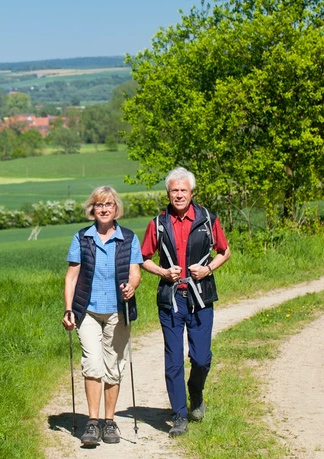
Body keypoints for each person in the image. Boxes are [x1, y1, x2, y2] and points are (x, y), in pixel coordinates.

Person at [141, 167, 231, 437]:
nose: (178, 195)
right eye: (174, 190)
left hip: (201, 297)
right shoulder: (158, 223)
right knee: (173, 360)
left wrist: (208, 270)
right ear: (168, 193)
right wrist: (162, 272)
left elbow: (225, 251)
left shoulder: (207, 219)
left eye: (183, 190)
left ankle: (196, 390)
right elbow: (143, 258)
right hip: (171, 299)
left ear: (192, 192)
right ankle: (179, 415)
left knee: (201, 358)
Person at [62, 185, 143, 446]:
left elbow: (135, 273)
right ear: (92, 209)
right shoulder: (82, 238)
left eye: (109, 204)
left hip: (119, 312)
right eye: (99, 205)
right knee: (93, 364)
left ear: (116, 208)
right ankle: (93, 422)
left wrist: (132, 286)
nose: (104, 209)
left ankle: (110, 423)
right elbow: (72, 276)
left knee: (114, 368)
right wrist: (68, 309)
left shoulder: (129, 238)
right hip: (87, 311)